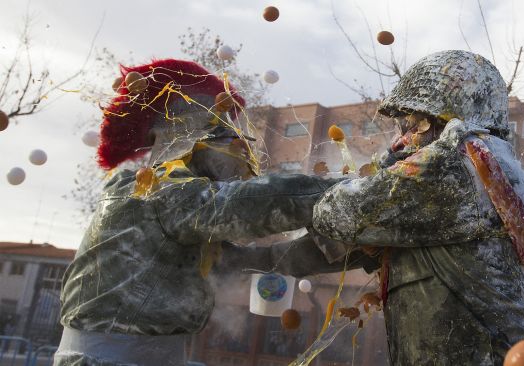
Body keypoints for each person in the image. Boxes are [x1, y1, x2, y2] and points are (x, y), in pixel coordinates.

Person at [54, 59, 349, 366]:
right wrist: (360, 192)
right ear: (169, 131)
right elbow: (251, 204)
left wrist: (344, 251)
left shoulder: (182, 215)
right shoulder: (151, 191)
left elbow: (262, 261)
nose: (236, 141)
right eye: (216, 126)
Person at [284, 50, 524, 365]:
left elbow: (338, 212)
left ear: (445, 121)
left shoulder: (460, 161)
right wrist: (246, 259)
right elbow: (339, 246)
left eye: (412, 123)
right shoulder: (488, 168)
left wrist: (223, 206)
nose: (401, 140)